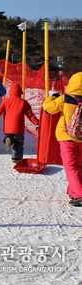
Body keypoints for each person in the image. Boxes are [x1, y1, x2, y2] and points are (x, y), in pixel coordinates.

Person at [43, 72, 82, 207]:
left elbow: (48, 109)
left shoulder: (66, 98)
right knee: (80, 166)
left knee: (71, 166)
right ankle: (74, 190)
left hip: (67, 137)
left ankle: (79, 194)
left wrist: (51, 98)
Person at [0, 83, 39, 163]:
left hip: (8, 127)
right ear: (20, 91)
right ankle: (16, 158)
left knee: (10, 136)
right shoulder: (23, 102)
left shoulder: (5, 101)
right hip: (18, 128)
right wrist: (36, 123)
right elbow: (30, 114)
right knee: (18, 143)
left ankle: (8, 139)